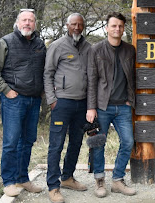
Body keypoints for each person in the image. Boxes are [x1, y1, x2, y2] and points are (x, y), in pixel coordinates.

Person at [0, 9, 46, 197]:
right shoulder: (5, 42)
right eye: (24, 20)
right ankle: (9, 181)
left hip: (34, 100)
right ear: (18, 23)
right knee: (11, 142)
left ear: (35, 24)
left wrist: (43, 91)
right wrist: (6, 90)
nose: (27, 23)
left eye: (31, 20)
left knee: (28, 141)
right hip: (14, 100)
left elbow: (45, 70)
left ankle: (22, 178)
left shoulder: (39, 44)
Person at [86, 12, 136, 198]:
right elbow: (91, 80)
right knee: (98, 144)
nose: (117, 29)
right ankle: (99, 180)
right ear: (106, 28)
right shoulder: (96, 49)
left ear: (123, 29)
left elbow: (134, 77)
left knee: (128, 142)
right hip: (102, 106)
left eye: (120, 26)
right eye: (114, 25)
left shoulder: (130, 50)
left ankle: (117, 180)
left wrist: (131, 100)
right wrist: (91, 107)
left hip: (123, 106)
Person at [44, 13, 92, 203]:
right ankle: (53, 186)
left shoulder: (88, 48)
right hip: (62, 103)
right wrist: (52, 100)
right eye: (73, 24)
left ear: (84, 26)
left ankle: (67, 177)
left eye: (80, 24)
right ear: (67, 25)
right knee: (56, 144)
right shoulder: (57, 46)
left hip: (82, 103)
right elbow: (48, 74)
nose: (77, 27)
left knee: (76, 142)